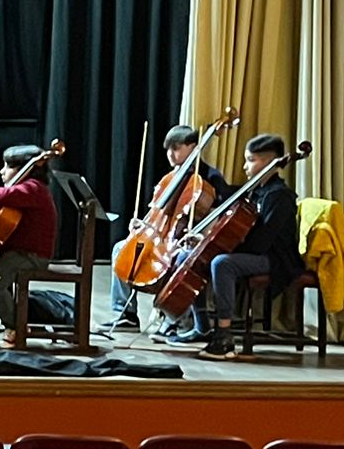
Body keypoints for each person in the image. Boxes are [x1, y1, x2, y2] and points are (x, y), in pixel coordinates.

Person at [114, 124, 233, 339]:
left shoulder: (211, 178)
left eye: (176, 148)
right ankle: (125, 314)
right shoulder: (170, 178)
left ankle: (172, 320)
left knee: (177, 260)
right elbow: (159, 214)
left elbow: (222, 213)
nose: (170, 154)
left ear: (194, 147)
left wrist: (199, 233)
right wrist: (142, 226)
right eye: (168, 149)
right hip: (161, 235)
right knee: (120, 249)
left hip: (189, 240)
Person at [201, 133, 302, 360]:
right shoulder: (254, 191)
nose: (245, 166)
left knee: (222, 263)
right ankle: (199, 325)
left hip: (275, 258)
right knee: (200, 257)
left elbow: (261, 243)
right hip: (256, 252)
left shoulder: (280, 196)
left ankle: (224, 336)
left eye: (251, 160)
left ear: (268, 162)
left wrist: (226, 248)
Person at [0, 143, 58, 348]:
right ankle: (18, 323)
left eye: (8, 166)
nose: (2, 171)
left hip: (31, 257)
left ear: (24, 169)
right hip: (19, 254)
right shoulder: (27, 190)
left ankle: (16, 327)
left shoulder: (32, 189)